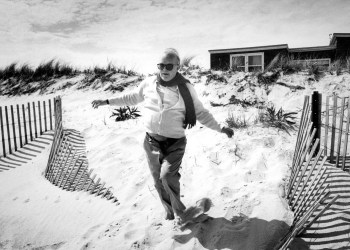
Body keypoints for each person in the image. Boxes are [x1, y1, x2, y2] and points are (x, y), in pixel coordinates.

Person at [92, 48, 234, 222]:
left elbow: (201, 113)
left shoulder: (186, 88)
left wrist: (220, 128)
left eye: (169, 66)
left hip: (175, 143)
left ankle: (181, 213)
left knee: (167, 177)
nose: (164, 70)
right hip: (151, 142)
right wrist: (106, 101)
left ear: (177, 66)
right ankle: (170, 212)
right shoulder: (149, 83)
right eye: (161, 66)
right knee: (158, 181)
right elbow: (132, 98)